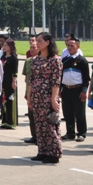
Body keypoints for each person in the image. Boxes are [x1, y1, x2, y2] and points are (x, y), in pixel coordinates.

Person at [27, 32, 63, 164]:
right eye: (37, 41)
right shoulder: (36, 60)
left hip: (48, 97)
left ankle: (53, 153)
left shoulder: (55, 60)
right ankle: (42, 151)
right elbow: (31, 80)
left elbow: (56, 81)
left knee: (50, 125)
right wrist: (29, 97)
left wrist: (54, 99)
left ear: (48, 42)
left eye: (40, 41)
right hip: (37, 97)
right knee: (39, 125)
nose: (37, 43)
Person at [60, 35, 90, 142]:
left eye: (72, 45)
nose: (69, 47)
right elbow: (60, 76)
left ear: (78, 46)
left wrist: (84, 91)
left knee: (80, 113)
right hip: (66, 89)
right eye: (68, 45)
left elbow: (86, 78)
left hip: (77, 89)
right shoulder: (64, 60)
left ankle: (81, 133)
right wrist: (60, 89)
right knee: (68, 112)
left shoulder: (82, 61)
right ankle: (70, 132)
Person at [0, 39, 19, 129]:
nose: (4, 47)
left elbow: (15, 71)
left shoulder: (14, 58)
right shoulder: (2, 57)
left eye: (6, 45)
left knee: (10, 102)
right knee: (3, 101)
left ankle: (11, 122)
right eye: (3, 45)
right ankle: (4, 121)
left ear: (10, 47)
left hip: (10, 82)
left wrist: (14, 81)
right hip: (2, 82)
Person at [23, 35, 39, 144]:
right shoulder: (28, 61)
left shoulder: (43, 61)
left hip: (39, 92)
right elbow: (27, 79)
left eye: (34, 47)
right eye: (31, 48)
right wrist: (26, 93)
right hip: (30, 92)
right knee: (31, 115)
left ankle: (40, 136)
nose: (32, 50)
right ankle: (34, 135)